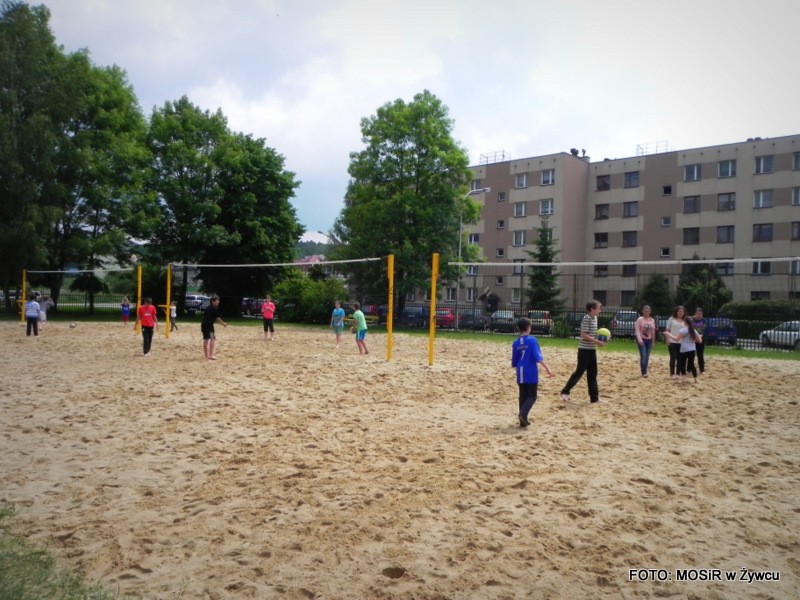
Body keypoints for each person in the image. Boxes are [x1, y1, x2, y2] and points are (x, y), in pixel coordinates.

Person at [560, 299, 606, 404]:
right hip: (584, 350)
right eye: (599, 308)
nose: (600, 310)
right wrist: (597, 341)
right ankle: (565, 392)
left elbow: (592, 334)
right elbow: (584, 335)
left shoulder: (595, 319)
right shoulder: (586, 319)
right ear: (592, 309)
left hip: (592, 350)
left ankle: (594, 398)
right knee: (579, 372)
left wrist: (602, 340)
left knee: (592, 374)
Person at [512, 317, 554, 427]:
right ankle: (523, 414)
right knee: (532, 396)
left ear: (518, 328)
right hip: (530, 372)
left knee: (523, 396)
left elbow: (514, 362)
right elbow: (538, 357)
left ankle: (523, 421)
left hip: (520, 371)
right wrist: (547, 368)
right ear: (529, 328)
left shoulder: (515, 343)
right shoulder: (532, 340)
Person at [667, 315, 702, 383]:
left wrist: (669, 334)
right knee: (691, 364)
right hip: (692, 349)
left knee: (683, 364)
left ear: (685, 322)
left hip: (684, 349)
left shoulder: (683, 330)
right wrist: (700, 336)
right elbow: (700, 341)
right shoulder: (694, 331)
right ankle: (695, 379)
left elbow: (677, 339)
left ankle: (684, 378)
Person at [202, 295, 227, 360]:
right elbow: (217, 318)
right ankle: (211, 355)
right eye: (217, 300)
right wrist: (223, 324)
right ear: (213, 301)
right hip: (209, 326)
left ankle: (206, 356)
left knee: (206, 339)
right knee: (212, 339)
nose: (218, 301)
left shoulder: (208, 308)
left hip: (203, 325)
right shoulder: (214, 308)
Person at [634, 305, 656, 377]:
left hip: (649, 340)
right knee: (643, 356)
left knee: (647, 357)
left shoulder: (652, 320)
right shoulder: (640, 319)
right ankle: (644, 372)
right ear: (643, 311)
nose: (646, 312)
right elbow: (637, 330)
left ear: (650, 312)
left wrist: (653, 341)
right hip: (642, 339)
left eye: (648, 311)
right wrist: (640, 340)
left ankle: (645, 371)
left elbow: (653, 332)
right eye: (645, 311)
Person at [665, 306, 687, 379]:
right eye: (679, 311)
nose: (680, 313)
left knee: (680, 358)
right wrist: (667, 339)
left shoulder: (685, 320)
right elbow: (667, 330)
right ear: (676, 312)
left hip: (682, 342)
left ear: (684, 312)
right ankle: (672, 373)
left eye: (681, 311)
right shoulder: (671, 319)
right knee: (673, 357)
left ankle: (678, 373)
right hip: (672, 341)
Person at [691, 307, 707, 375]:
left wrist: (700, 336)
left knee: (700, 355)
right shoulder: (691, 319)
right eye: (697, 314)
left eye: (700, 314)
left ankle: (702, 370)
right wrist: (694, 337)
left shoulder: (704, 320)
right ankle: (689, 369)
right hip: (692, 339)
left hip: (700, 338)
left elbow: (703, 329)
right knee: (691, 354)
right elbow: (689, 328)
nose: (699, 315)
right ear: (695, 314)